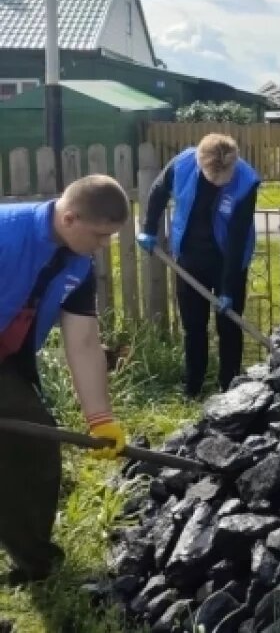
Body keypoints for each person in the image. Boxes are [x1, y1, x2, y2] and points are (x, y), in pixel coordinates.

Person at [0, 176, 129, 584]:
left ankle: (34, 563)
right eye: (100, 234)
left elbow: (84, 341)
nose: (105, 245)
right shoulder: (6, 233)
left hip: (8, 361)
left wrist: (100, 417)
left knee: (36, 442)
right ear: (70, 218)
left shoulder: (77, 262)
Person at [138, 134, 259, 397]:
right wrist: (148, 229)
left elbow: (238, 238)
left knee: (229, 326)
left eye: (222, 178)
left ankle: (229, 387)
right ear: (199, 163)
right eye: (211, 177)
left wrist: (227, 288)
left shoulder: (246, 182)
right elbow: (158, 192)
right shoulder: (182, 164)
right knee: (193, 326)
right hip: (190, 258)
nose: (217, 182)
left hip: (229, 258)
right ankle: (193, 387)